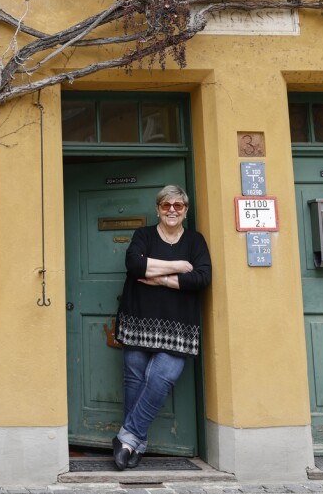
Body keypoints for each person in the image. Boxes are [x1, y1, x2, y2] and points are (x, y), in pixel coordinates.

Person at [112, 185, 212, 470]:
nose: (171, 210)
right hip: (138, 320)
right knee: (134, 380)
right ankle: (135, 445)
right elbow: (134, 265)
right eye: (166, 205)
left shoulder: (195, 241)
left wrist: (160, 278)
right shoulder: (143, 235)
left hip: (179, 327)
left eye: (178, 205)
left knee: (162, 379)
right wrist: (178, 266)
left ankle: (127, 437)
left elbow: (202, 277)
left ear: (185, 211)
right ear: (157, 209)